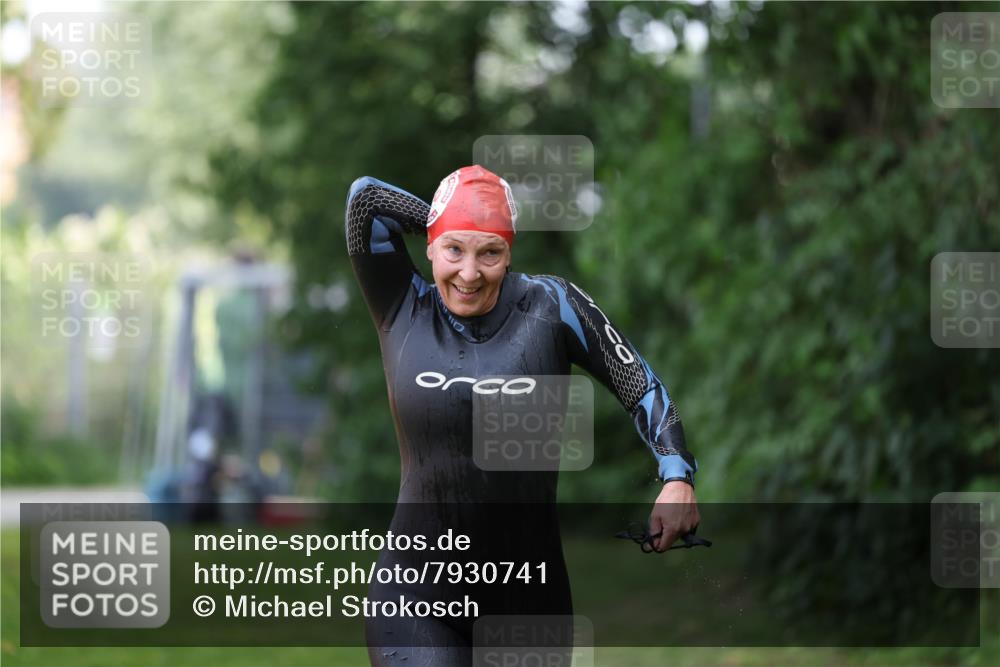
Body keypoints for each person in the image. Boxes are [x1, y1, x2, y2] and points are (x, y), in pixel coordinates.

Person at [346, 165, 700, 665]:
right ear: (430, 246)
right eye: (453, 249)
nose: (469, 273)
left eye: (489, 251)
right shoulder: (401, 304)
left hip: (529, 599)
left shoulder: (551, 306)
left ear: (509, 253)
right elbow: (366, 200)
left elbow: (638, 382)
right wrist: (448, 216)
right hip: (416, 594)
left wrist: (677, 475)